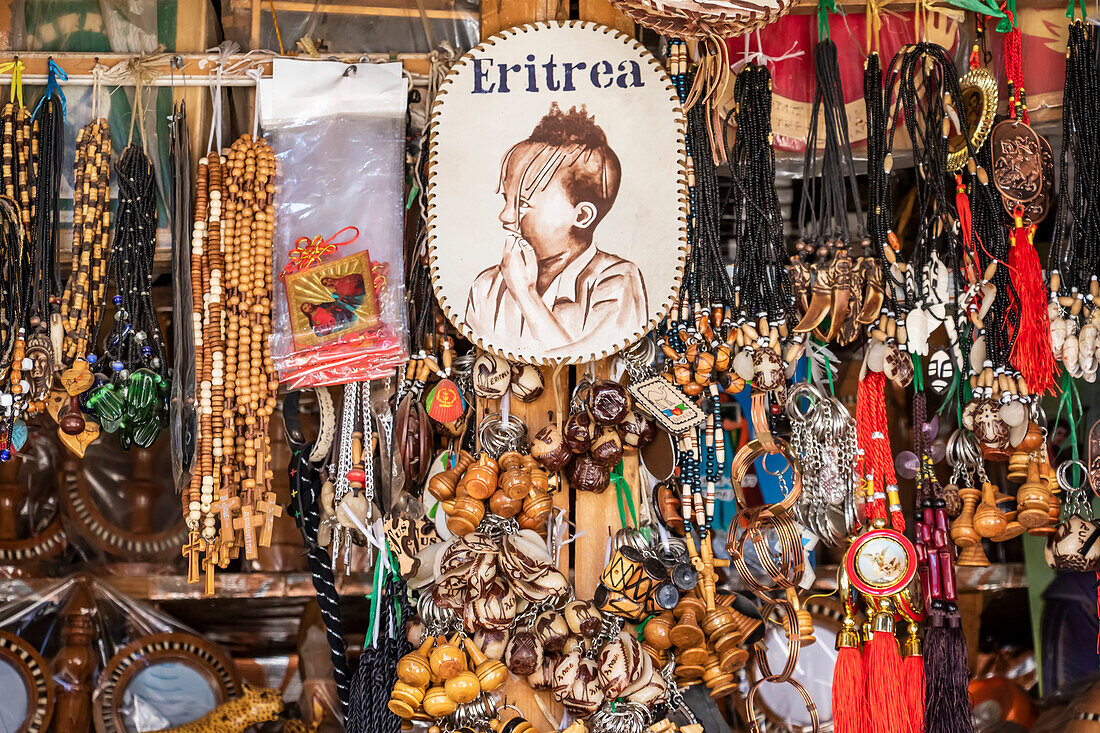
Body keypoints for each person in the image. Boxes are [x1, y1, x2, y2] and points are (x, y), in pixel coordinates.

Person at [465, 103, 648, 357]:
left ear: (582, 215)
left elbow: (578, 361)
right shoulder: (486, 287)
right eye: (506, 200)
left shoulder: (617, 281)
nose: (505, 216)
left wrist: (526, 294)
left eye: (523, 204)